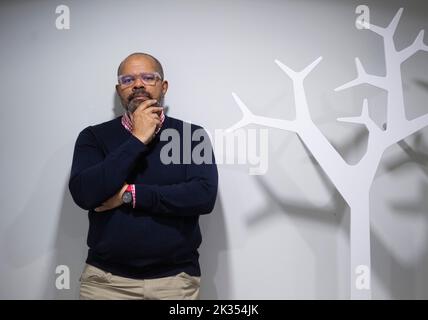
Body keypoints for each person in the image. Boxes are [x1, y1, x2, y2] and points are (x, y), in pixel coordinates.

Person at [69, 52, 218, 300]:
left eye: (148, 77)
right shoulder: (93, 137)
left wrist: (131, 195)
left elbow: (203, 196)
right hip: (106, 284)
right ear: (119, 90)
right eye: (128, 79)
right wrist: (137, 138)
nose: (138, 84)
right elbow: (86, 194)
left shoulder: (192, 136)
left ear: (163, 87)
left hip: (175, 282)